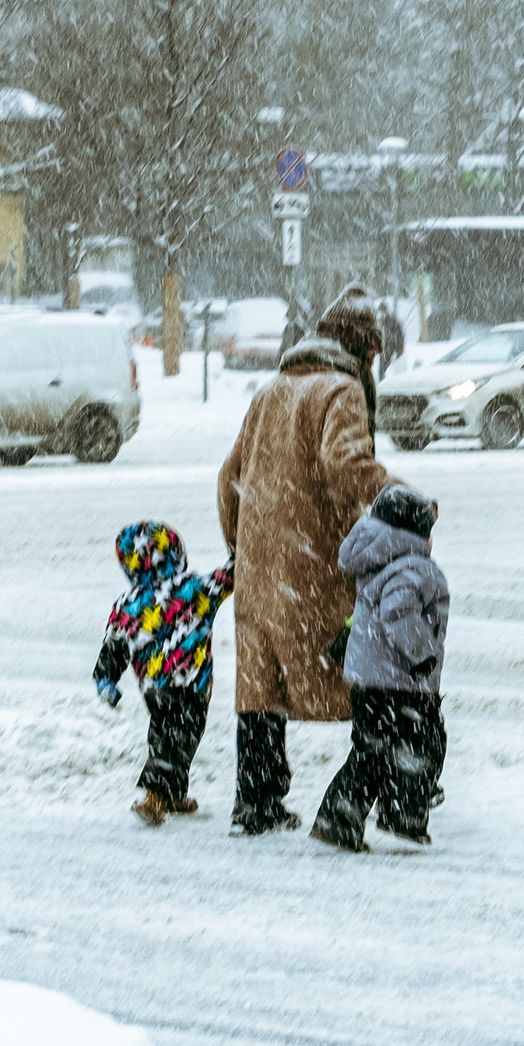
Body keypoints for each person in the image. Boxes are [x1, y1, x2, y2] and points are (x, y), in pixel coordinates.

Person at [215, 302, 395, 836]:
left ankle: (257, 801)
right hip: (312, 565)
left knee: (260, 688)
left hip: (260, 569)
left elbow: (229, 478)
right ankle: (376, 793)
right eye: (371, 354)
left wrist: (241, 546)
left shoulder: (270, 391)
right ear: (360, 351)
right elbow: (348, 468)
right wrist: (403, 502)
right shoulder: (340, 391)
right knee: (365, 672)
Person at [309, 485, 450, 853]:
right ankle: (402, 815)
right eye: (428, 530)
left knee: (371, 752)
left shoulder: (379, 559)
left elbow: (369, 611)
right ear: (414, 533)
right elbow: (397, 612)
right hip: (403, 679)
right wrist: (420, 653)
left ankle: (340, 818)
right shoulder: (415, 567)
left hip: (372, 681)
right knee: (423, 746)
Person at [92, 521, 236, 827]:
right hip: (191, 683)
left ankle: (173, 795)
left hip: (154, 687)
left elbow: (115, 645)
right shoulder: (195, 588)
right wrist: (246, 554)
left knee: (164, 736)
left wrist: (105, 678)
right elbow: (227, 579)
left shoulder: (128, 603)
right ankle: (154, 797)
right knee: (181, 738)